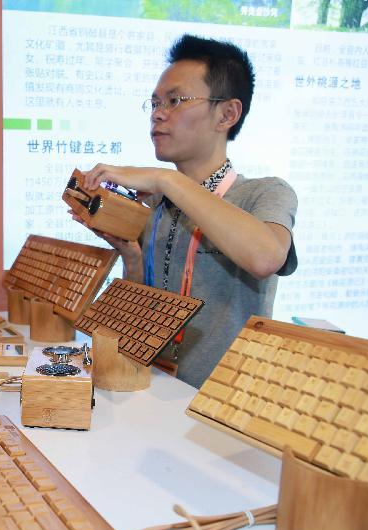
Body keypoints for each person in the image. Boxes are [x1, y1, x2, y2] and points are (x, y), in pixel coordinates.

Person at [73, 34, 297, 388]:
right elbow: (141, 310)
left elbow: (265, 256)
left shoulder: (265, 192)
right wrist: (130, 256)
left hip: (219, 405)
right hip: (150, 388)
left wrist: (165, 179)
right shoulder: (157, 203)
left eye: (175, 100)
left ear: (227, 114)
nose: (158, 114)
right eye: (155, 102)